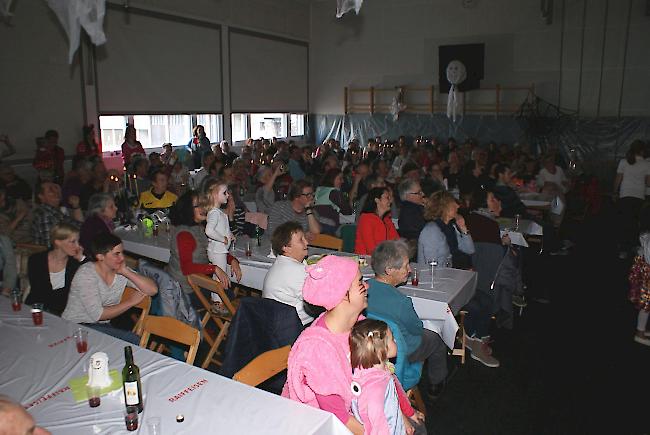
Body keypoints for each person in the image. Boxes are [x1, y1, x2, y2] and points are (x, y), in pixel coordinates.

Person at [283, 255, 367, 435]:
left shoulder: (358, 326)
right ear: (342, 294)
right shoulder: (318, 350)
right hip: (321, 426)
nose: (367, 286)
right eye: (360, 282)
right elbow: (338, 416)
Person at [367, 240, 450, 400]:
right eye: (405, 266)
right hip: (400, 349)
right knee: (436, 337)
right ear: (389, 270)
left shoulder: (364, 287)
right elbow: (417, 329)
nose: (410, 270)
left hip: (369, 346)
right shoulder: (401, 302)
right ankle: (436, 383)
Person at [62, 233, 158, 344]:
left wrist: (125, 271)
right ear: (100, 256)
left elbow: (153, 290)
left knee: (131, 340)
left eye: (122, 253)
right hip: (75, 326)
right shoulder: (86, 274)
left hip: (100, 327)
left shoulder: (120, 271)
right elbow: (98, 315)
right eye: (116, 254)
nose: (122, 258)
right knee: (132, 340)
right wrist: (130, 302)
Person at [349, 319, 425, 434]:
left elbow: (395, 394)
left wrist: (409, 414)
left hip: (395, 419)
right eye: (392, 339)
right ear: (381, 350)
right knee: (421, 429)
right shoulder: (375, 387)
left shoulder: (381, 371)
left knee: (420, 426)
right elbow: (377, 426)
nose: (395, 340)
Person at [166, 190, 241, 299]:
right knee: (228, 295)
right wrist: (214, 269)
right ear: (188, 210)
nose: (204, 208)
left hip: (195, 284)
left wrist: (232, 260)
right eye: (199, 205)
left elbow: (211, 249)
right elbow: (187, 268)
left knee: (227, 292)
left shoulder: (201, 228)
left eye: (204, 204)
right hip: (182, 292)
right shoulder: (184, 235)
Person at [25, 223, 82, 316]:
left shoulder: (75, 263)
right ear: (58, 242)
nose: (77, 246)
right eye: (73, 242)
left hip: (64, 312)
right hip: (37, 308)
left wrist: (82, 259)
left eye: (78, 241)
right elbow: (38, 291)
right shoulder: (36, 260)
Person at [262, 222, 313, 326]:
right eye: (301, 240)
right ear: (286, 248)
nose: (307, 242)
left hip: (273, 323)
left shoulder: (281, 263)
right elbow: (316, 299)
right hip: (291, 328)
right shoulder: (295, 270)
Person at [418, 190, 475, 268]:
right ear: (444, 207)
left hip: (455, 271)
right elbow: (431, 265)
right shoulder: (431, 231)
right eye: (453, 203)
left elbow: (470, 250)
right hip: (441, 275)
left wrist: (463, 227)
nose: (458, 206)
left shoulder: (451, 227)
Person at [614, 140, 650, 258]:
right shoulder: (646, 164)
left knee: (624, 221)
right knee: (635, 222)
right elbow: (648, 183)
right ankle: (634, 246)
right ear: (642, 150)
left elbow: (618, 179)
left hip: (625, 194)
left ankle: (624, 249)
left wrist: (615, 192)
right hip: (639, 196)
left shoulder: (623, 162)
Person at [204, 180, 235, 307]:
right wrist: (222, 239)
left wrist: (229, 235)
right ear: (215, 195)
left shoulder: (218, 213)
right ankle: (218, 302)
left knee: (219, 276)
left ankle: (218, 299)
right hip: (217, 250)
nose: (228, 195)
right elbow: (209, 231)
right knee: (220, 277)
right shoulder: (214, 213)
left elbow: (221, 229)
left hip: (220, 250)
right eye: (224, 193)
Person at [32, 181, 82, 247]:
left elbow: (80, 226)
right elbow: (50, 246)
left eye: (56, 188)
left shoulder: (56, 212)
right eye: (51, 190)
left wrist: (76, 205)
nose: (56, 192)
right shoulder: (44, 214)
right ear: (41, 196)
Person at [354, 187, 398, 255]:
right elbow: (371, 250)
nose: (390, 201)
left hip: (383, 259)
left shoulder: (387, 220)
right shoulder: (366, 220)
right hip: (365, 261)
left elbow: (396, 241)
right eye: (387, 198)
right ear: (377, 200)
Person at [313, 169, 354, 234]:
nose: (343, 181)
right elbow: (347, 211)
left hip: (318, 223)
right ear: (332, 179)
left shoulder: (319, 189)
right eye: (340, 179)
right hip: (330, 227)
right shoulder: (334, 192)